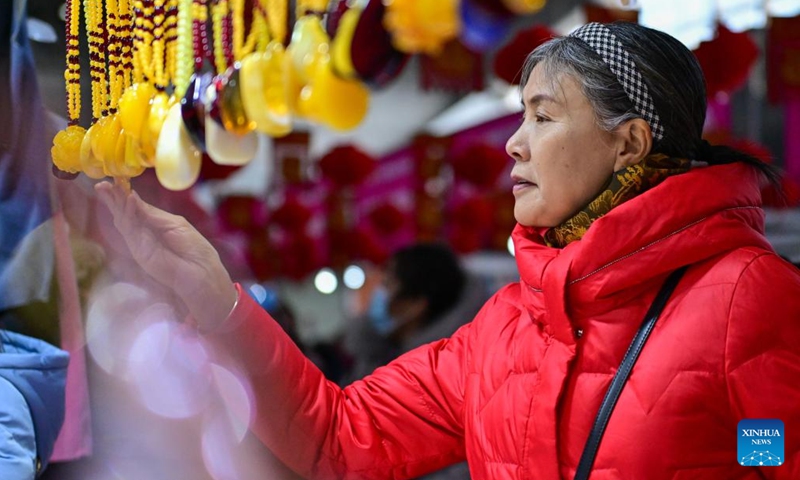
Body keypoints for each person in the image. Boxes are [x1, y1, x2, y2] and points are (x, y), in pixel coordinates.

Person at [95, 21, 800, 479]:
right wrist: (218, 301)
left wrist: (748, 456)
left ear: (630, 142)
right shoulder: (504, 326)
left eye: (543, 116)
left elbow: (773, 456)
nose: (512, 142)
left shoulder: (749, 296)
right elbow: (340, 436)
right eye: (519, 113)